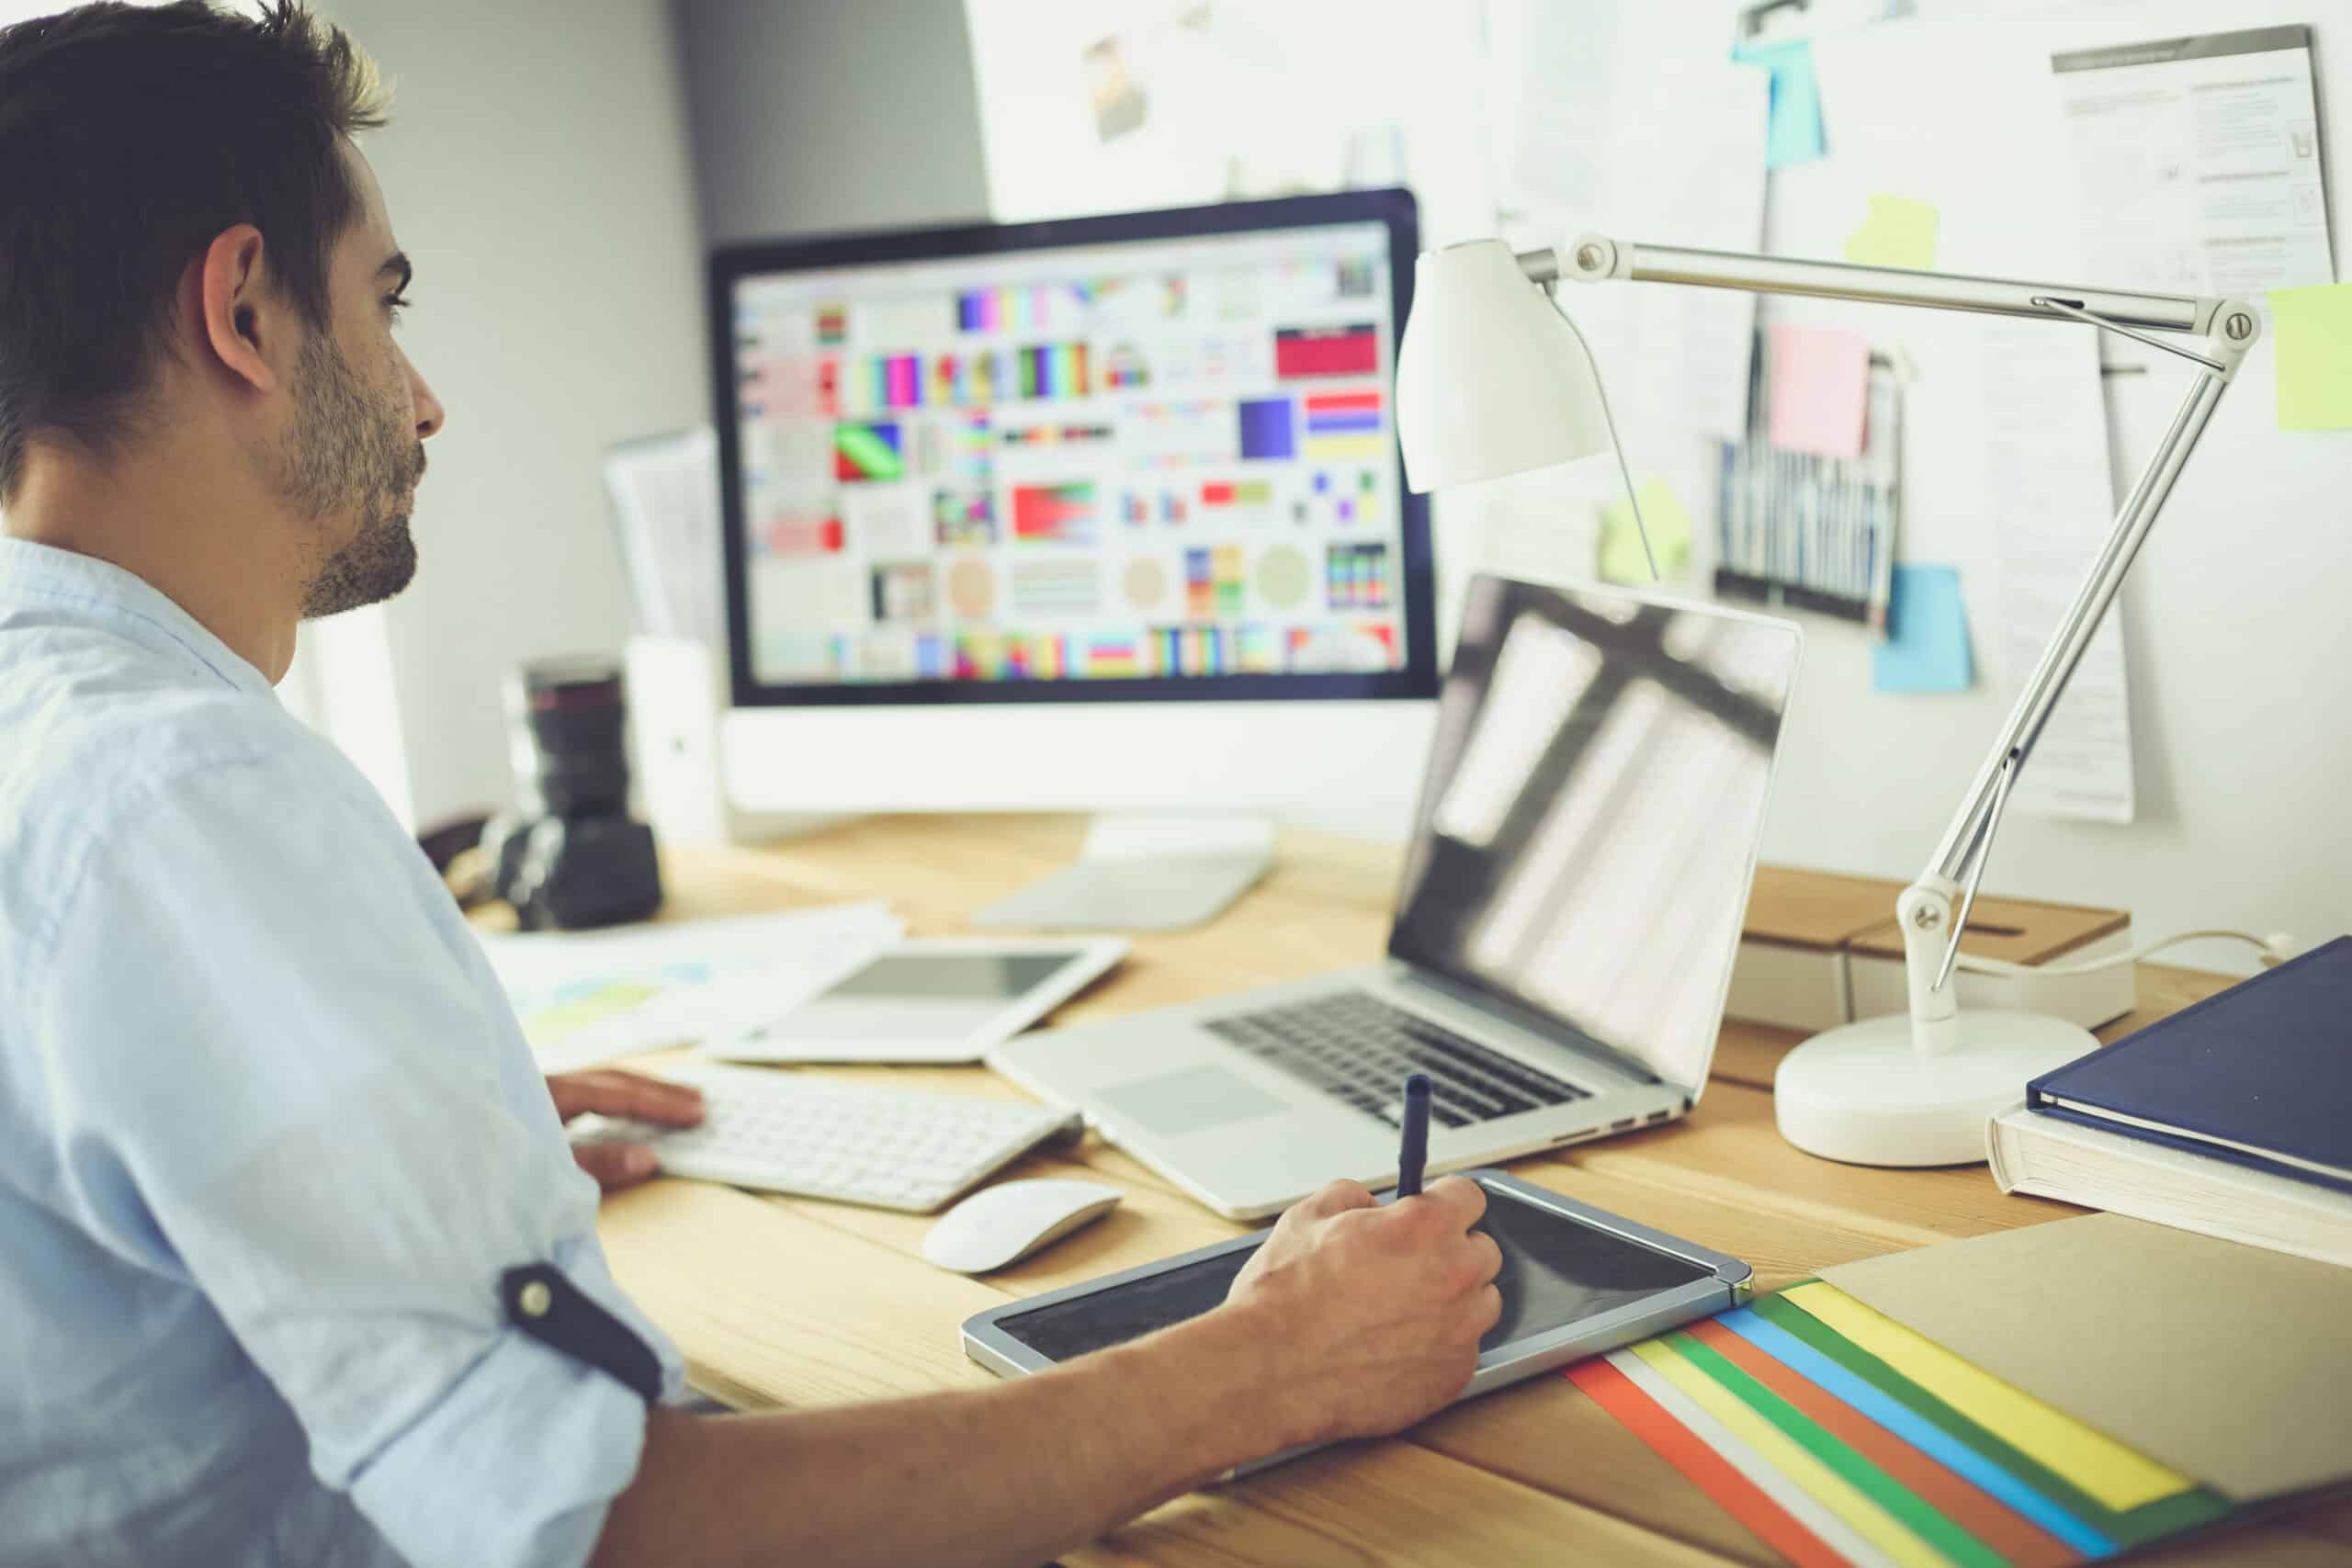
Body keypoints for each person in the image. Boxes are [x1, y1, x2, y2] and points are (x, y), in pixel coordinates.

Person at [0, 6, 1506, 1565]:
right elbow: (608, 1535)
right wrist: (1271, 1365)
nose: (423, 396)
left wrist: (406, 1148)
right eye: (382, 301)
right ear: (244, 308)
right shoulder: (186, 792)